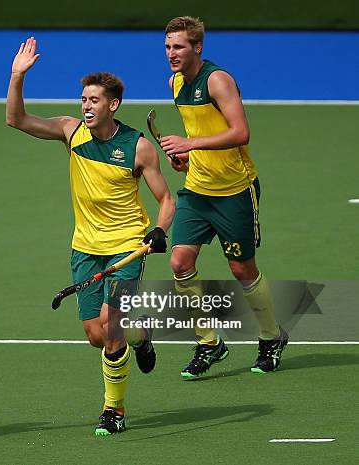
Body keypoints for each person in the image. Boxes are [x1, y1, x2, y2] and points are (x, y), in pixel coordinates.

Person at [6, 37, 175, 435]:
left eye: (94, 100)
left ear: (112, 105)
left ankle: (113, 410)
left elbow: (167, 199)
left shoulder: (138, 147)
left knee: (111, 324)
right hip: (84, 247)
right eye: (83, 99)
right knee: (96, 335)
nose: (86, 105)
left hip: (126, 248)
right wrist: (17, 77)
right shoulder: (70, 132)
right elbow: (17, 120)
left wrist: (158, 231)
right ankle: (143, 335)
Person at [160, 16, 288, 379]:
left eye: (179, 46)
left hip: (235, 190)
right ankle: (209, 343)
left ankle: (271, 337)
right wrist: (185, 157)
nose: (172, 53)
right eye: (168, 47)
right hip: (198, 189)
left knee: (241, 269)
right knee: (179, 263)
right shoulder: (175, 83)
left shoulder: (217, 80)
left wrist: (191, 143)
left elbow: (240, 132)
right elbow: (201, 131)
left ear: (197, 47)